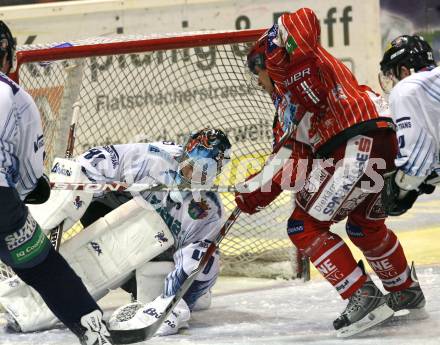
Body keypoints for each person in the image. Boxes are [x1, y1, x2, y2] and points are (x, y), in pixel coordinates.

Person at [235, 8, 425, 336]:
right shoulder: (297, 94)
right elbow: (295, 163)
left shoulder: (286, 63)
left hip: (356, 143)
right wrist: (253, 195)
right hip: (382, 142)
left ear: (263, 64)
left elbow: (303, 17)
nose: (259, 84)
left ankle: (362, 295)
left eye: (258, 76)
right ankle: (403, 287)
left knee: (302, 225)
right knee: (365, 226)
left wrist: (249, 194)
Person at [0, 129, 231, 337]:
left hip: (155, 252)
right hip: (118, 222)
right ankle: (27, 305)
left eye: (203, 174)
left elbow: (196, 265)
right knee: (118, 221)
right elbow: (96, 161)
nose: (193, 177)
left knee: (199, 264)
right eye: (191, 167)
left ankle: (177, 298)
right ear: (184, 154)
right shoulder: (153, 157)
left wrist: (173, 304)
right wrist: (69, 192)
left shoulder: (208, 212)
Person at [0, 20, 113, 344]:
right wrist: (35, 189)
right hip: (2, 207)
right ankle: (95, 333)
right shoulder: (15, 97)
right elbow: (29, 180)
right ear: (6, 53)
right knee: (43, 267)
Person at [379, 34, 439, 216]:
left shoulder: (407, 89)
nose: (392, 80)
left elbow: (416, 165)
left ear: (404, 71)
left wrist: (402, 191)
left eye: (391, 73)